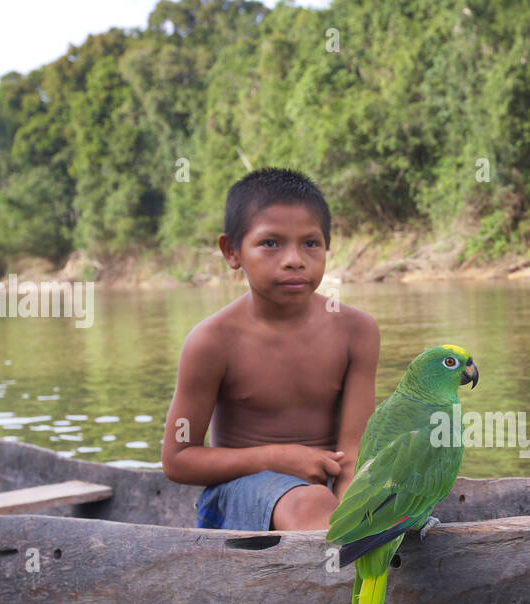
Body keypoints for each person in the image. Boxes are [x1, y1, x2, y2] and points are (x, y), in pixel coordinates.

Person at [161, 168, 379, 531]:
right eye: (271, 244)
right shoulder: (211, 341)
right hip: (237, 496)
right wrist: (278, 458)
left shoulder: (357, 331)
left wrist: (354, 511)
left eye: (311, 243)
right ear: (232, 251)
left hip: (323, 494)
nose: (294, 259)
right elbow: (178, 459)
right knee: (311, 502)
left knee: (387, 493)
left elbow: (354, 453)